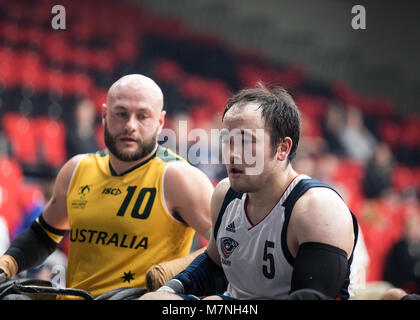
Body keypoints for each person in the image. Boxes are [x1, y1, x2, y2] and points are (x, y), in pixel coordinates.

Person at [0, 74, 213, 298]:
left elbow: (229, 248)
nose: (130, 125)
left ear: (160, 123)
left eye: (143, 116)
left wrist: (173, 277)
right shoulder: (76, 170)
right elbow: (43, 234)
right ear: (103, 115)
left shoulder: (180, 178)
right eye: (121, 114)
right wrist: (7, 264)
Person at [141, 83, 359, 300]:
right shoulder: (225, 193)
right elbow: (214, 264)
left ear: (283, 148)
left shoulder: (319, 209)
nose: (232, 154)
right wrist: (170, 290)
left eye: (246, 142)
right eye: (227, 141)